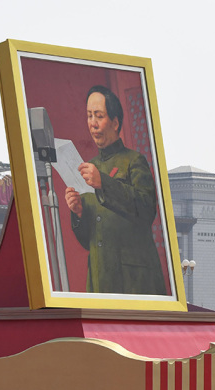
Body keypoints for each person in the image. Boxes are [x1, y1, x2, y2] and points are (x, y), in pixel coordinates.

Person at [64, 85, 166, 295]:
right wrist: (78, 214)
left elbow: (146, 210)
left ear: (115, 122)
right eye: (89, 116)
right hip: (100, 281)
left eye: (99, 116)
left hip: (133, 282)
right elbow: (88, 241)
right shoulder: (89, 167)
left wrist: (104, 183)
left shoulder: (134, 161)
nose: (92, 124)